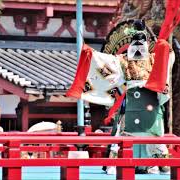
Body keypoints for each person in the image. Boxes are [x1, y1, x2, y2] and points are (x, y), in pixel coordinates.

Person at [66, 19, 174, 174]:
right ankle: (125, 163)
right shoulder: (126, 60)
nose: (138, 44)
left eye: (141, 40)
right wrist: (92, 55)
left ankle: (152, 164)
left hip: (148, 101)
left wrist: (163, 47)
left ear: (146, 42)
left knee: (151, 134)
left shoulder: (152, 58)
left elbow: (168, 57)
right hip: (134, 102)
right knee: (130, 133)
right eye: (135, 41)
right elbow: (106, 65)